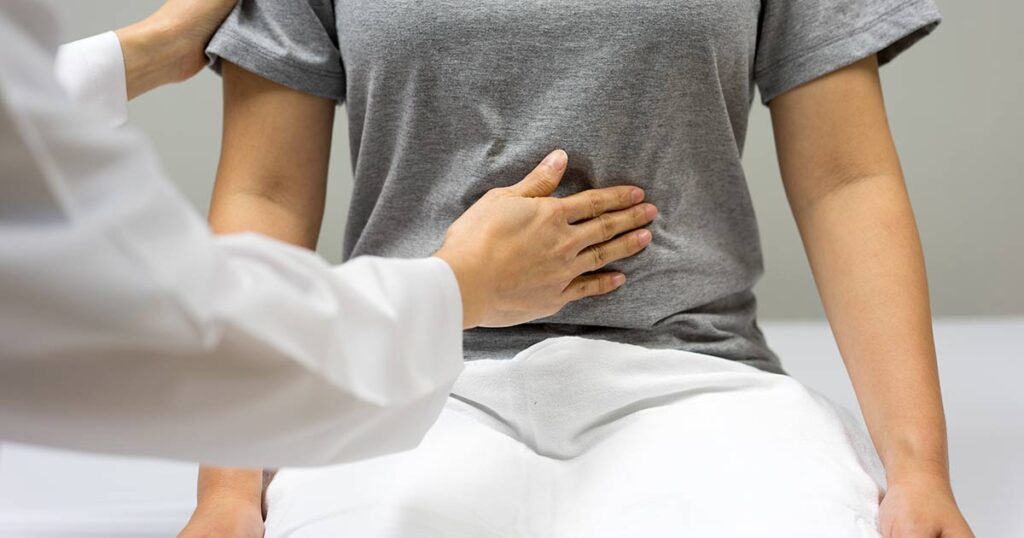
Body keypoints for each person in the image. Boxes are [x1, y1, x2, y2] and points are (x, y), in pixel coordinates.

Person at [184, 0, 974, 536]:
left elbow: (847, 180)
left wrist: (917, 470)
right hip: (406, 380)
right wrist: (225, 488)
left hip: (695, 382)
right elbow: (267, 194)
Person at [0, 0, 657, 468]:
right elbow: (253, 214)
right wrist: (227, 493)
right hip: (425, 398)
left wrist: (150, 48)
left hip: (687, 370)